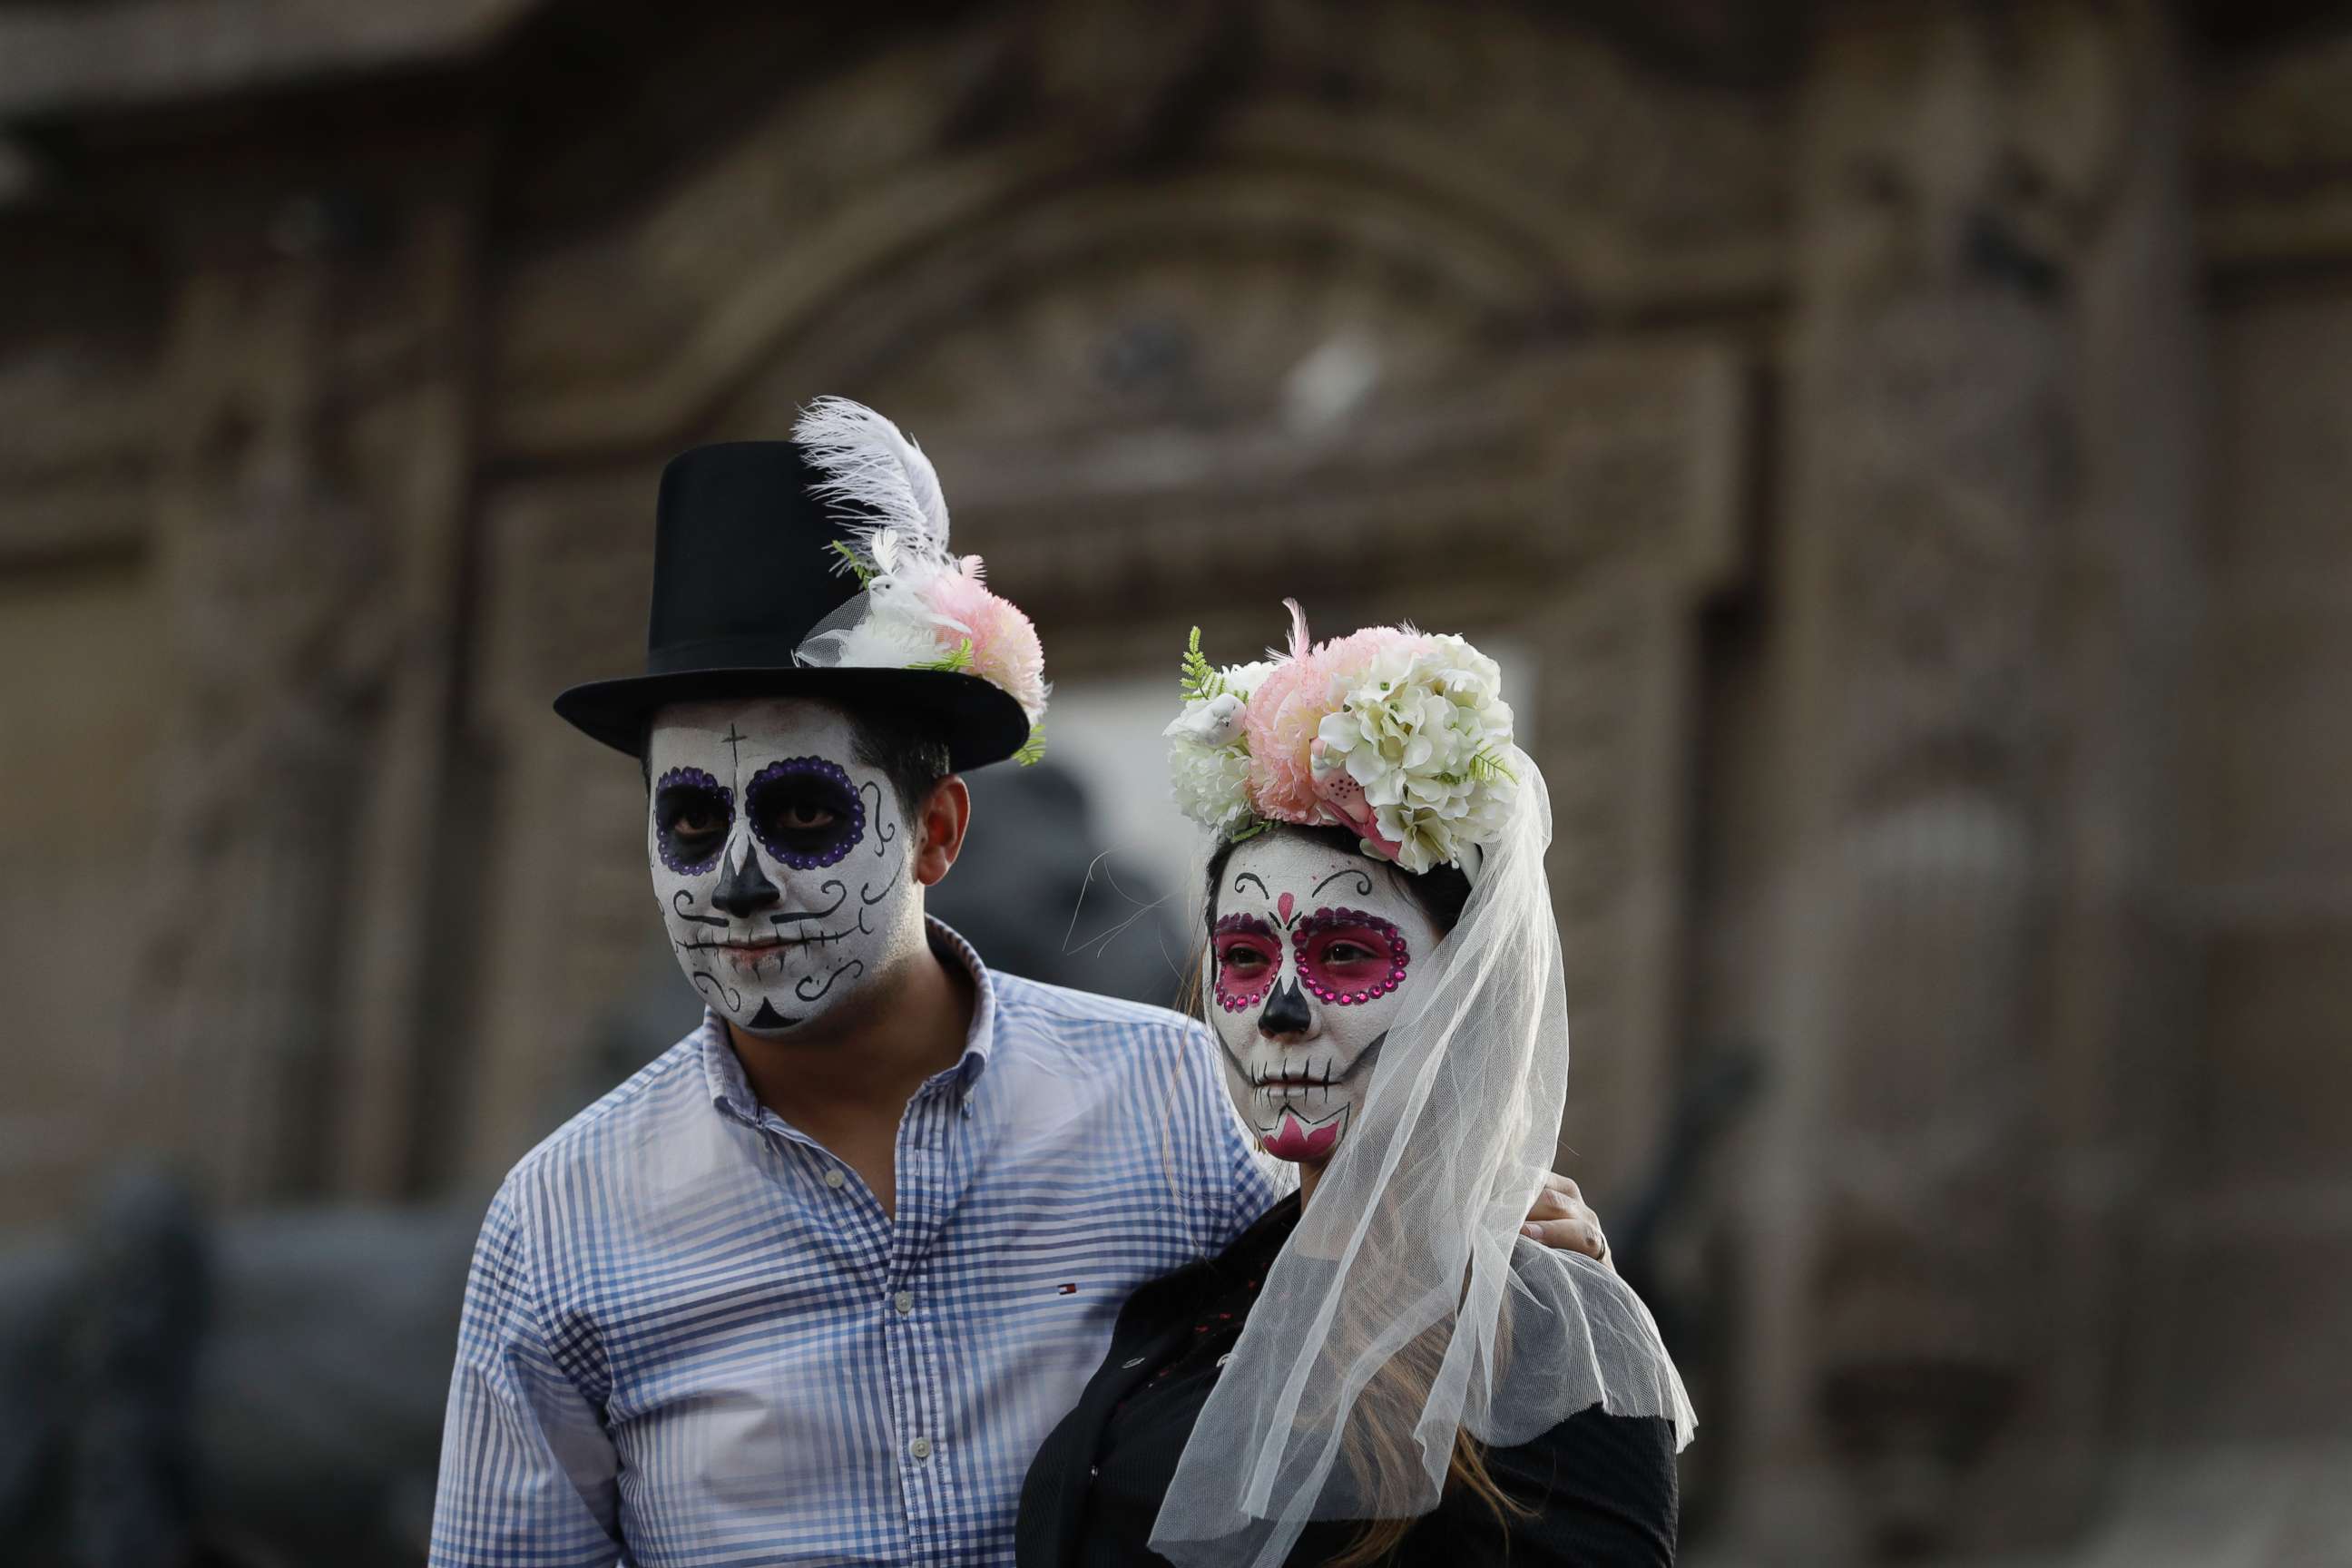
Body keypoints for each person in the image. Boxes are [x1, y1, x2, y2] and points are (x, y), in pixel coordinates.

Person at [426, 402, 1612, 1568]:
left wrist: (1497, 1252)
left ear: (937, 831)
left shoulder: (1181, 1105)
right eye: (689, 822)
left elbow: (1380, 1338)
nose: (737, 882)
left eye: (802, 812)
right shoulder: (557, 1225)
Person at [1015, 609, 1696, 1567]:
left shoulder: (1544, 1332)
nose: (1281, 1013)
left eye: (1344, 954)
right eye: (1245, 959)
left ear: (1455, 992)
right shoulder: (1179, 1297)